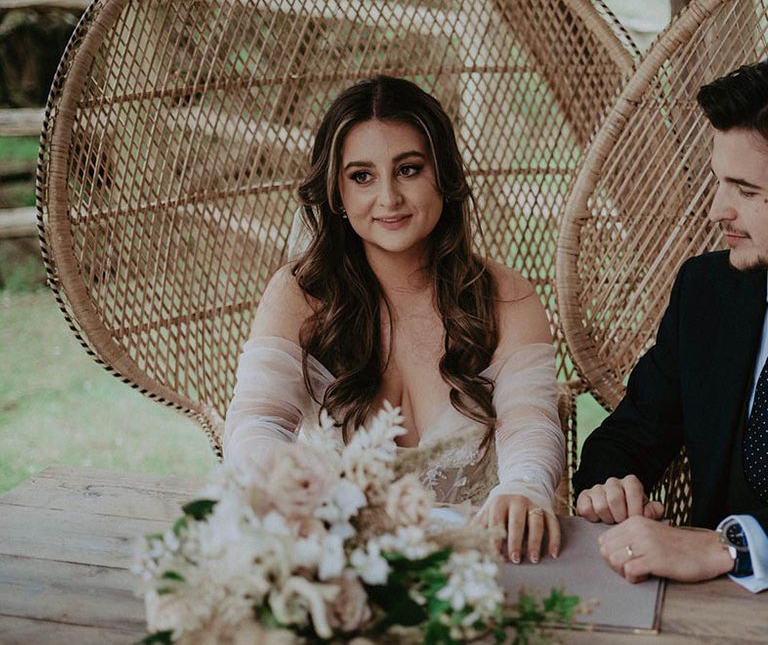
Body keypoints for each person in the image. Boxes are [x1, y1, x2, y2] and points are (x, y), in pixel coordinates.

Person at [224, 76, 565, 564]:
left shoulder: (507, 297)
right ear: (336, 193)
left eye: (408, 169)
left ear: (442, 175)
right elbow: (255, 420)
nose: (388, 198)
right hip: (330, 557)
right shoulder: (301, 293)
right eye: (361, 176)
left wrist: (526, 486)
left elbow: (530, 422)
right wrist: (287, 479)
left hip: (474, 564)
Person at [574, 60, 768, 592]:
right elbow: (634, 430)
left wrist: (733, 545)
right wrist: (609, 487)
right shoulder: (707, 291)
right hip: (703, 610)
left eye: (745, 191)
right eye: (718, 182)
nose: (716, 210)